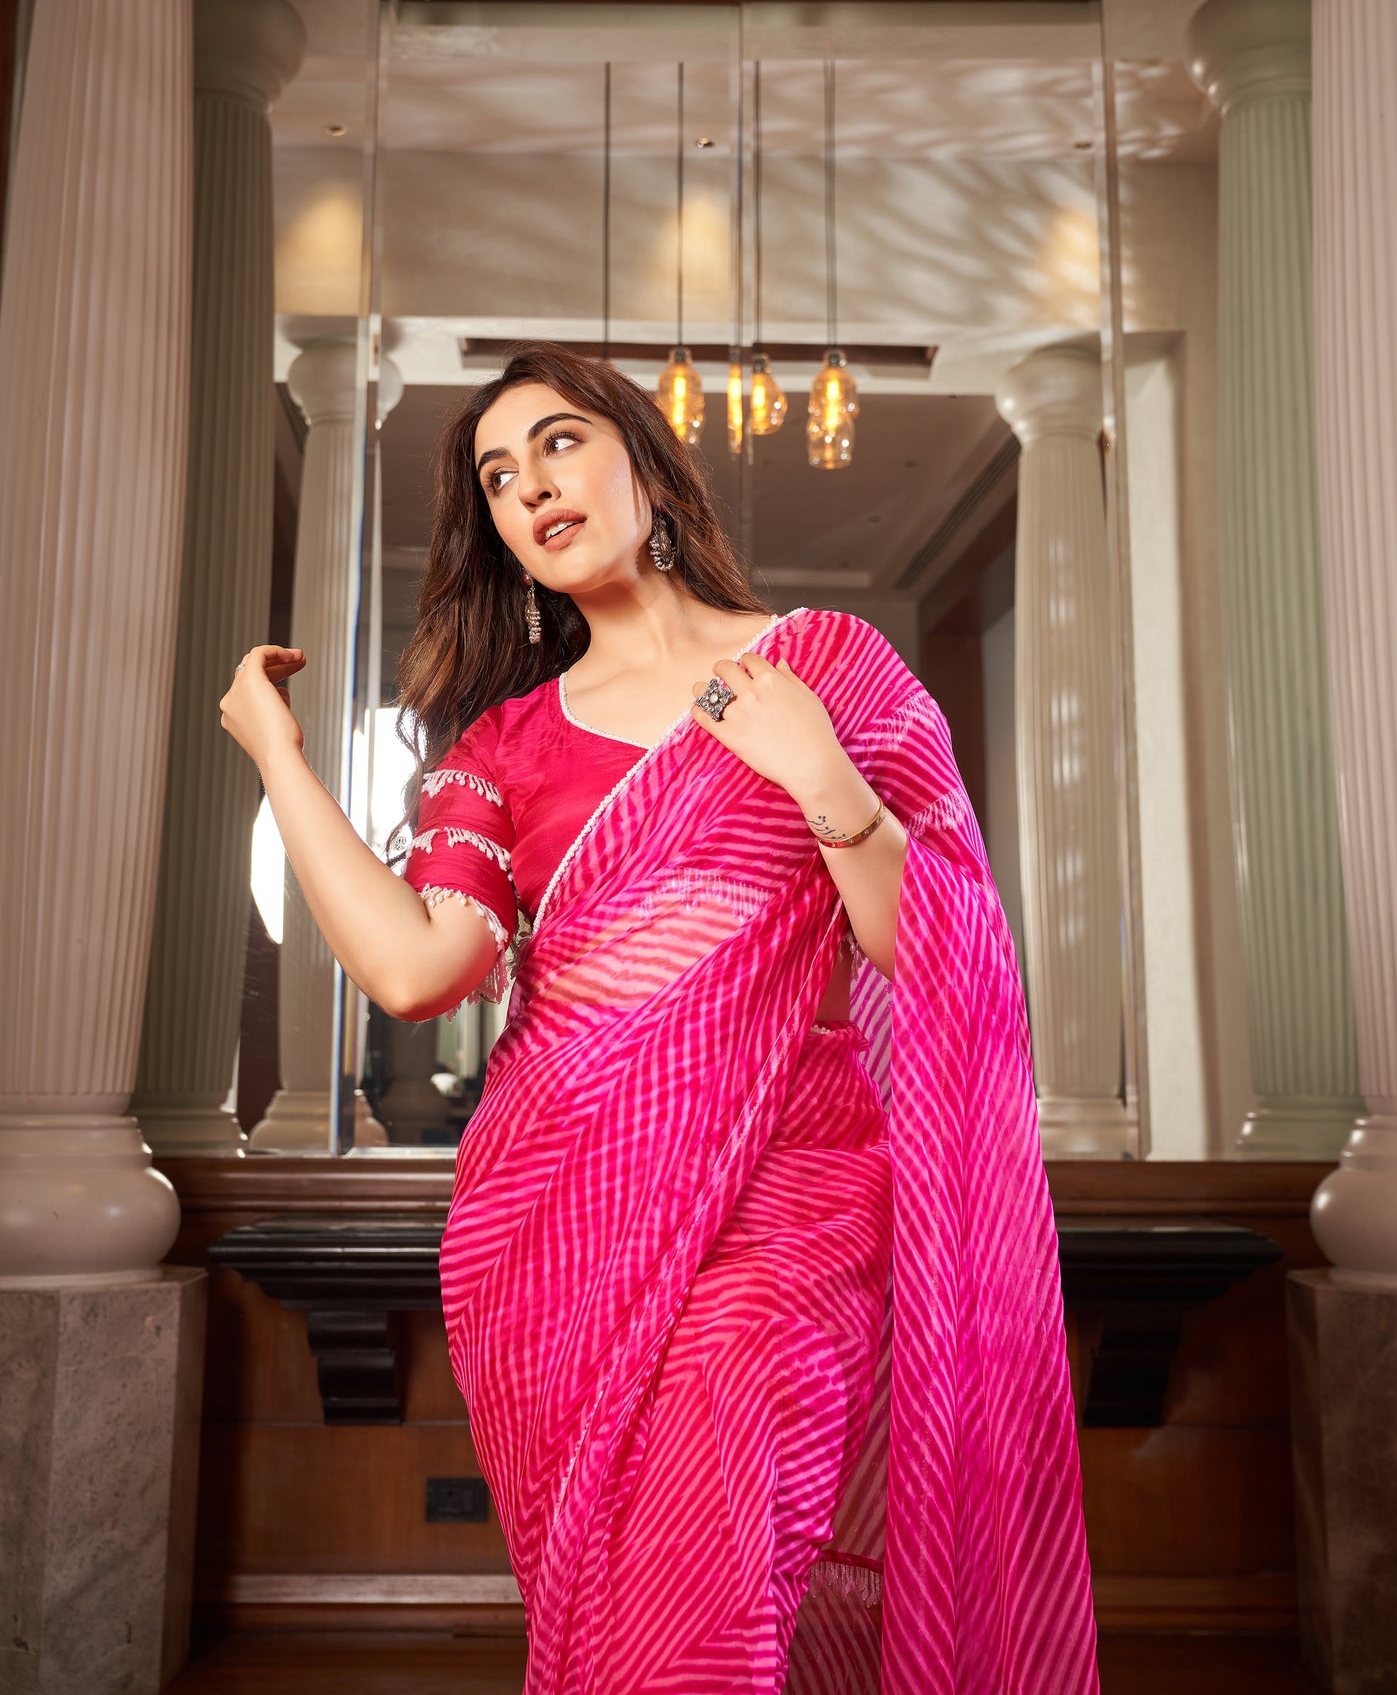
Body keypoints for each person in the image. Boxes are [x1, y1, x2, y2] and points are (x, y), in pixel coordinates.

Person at [220, 342, 1099, 1694]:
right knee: (624, 1603)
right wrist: (281, 757)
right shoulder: (503, 747)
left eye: (559, 443)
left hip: (795, 1194)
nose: (530, 487)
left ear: (645, 461)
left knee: (704, 1592)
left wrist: (821, 776)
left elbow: (941, 946)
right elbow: (417, 972)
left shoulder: (827, 668)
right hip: (553, 1221)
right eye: (497, 478)